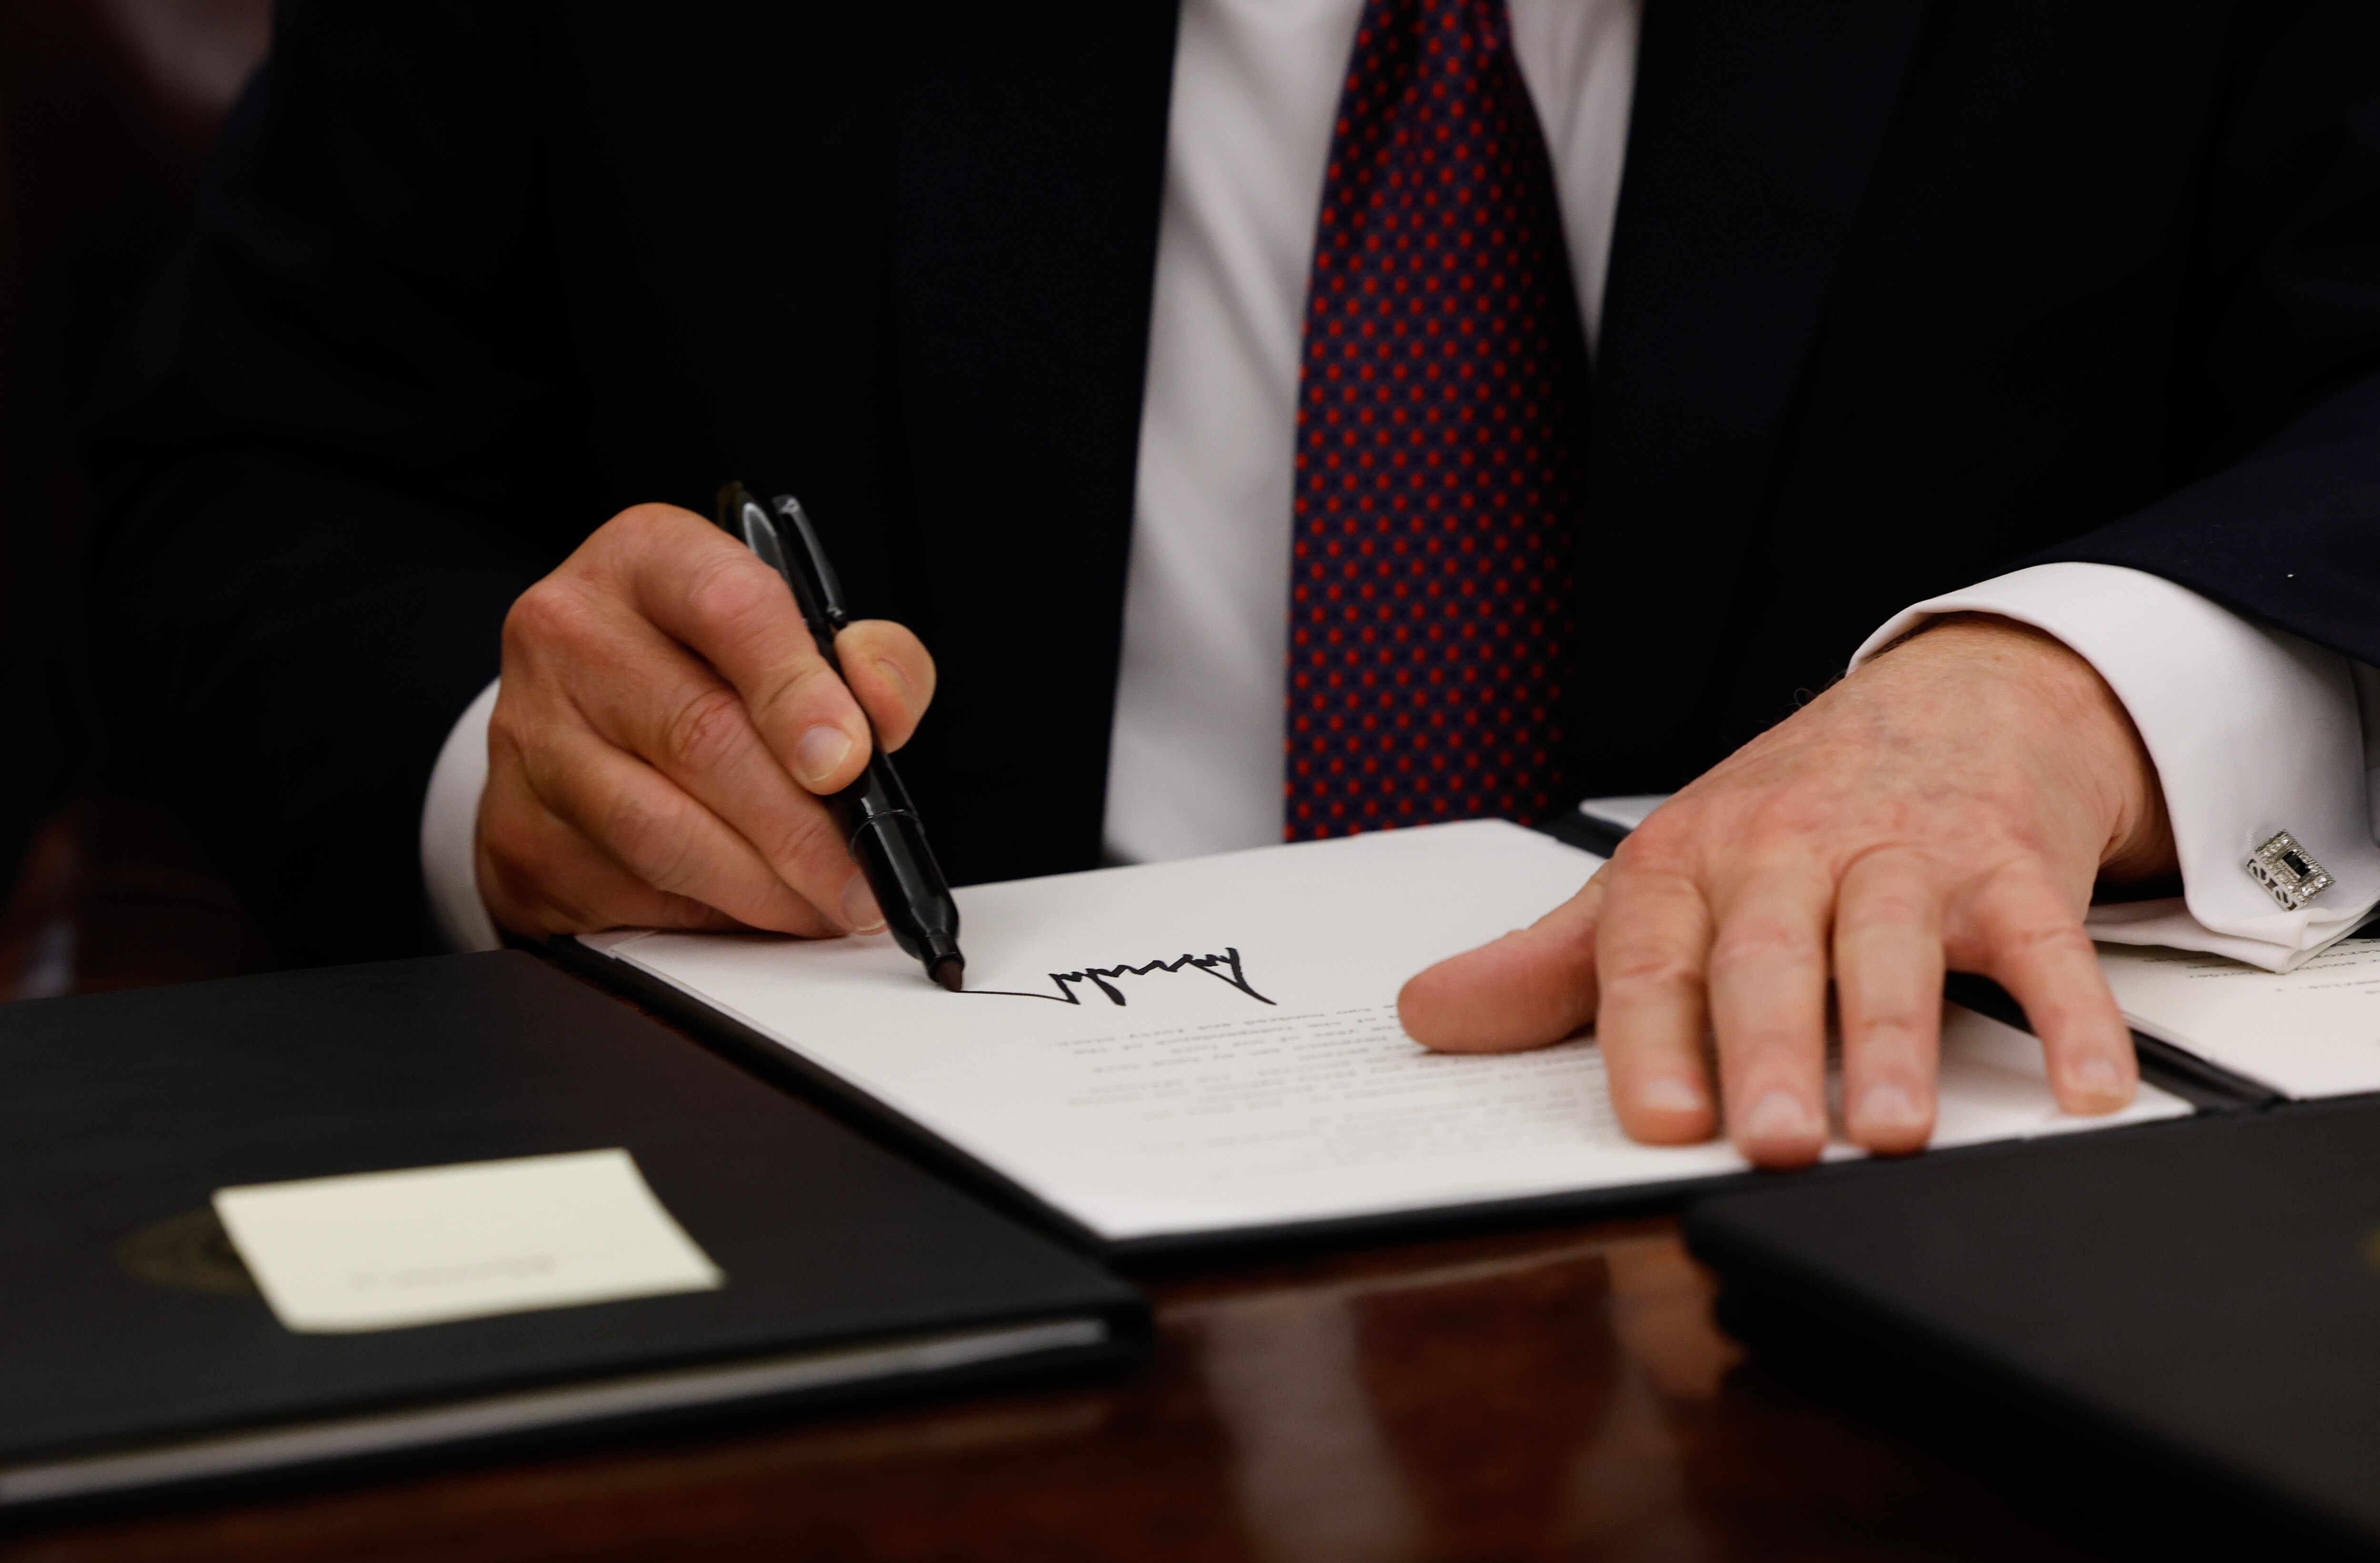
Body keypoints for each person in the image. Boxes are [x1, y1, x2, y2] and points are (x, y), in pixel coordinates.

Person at [94, 0, 2380, 1169]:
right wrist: (522, 769)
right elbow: (261, 478)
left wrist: (2075, 690)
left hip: (1901, 1172)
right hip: (854, 1204)